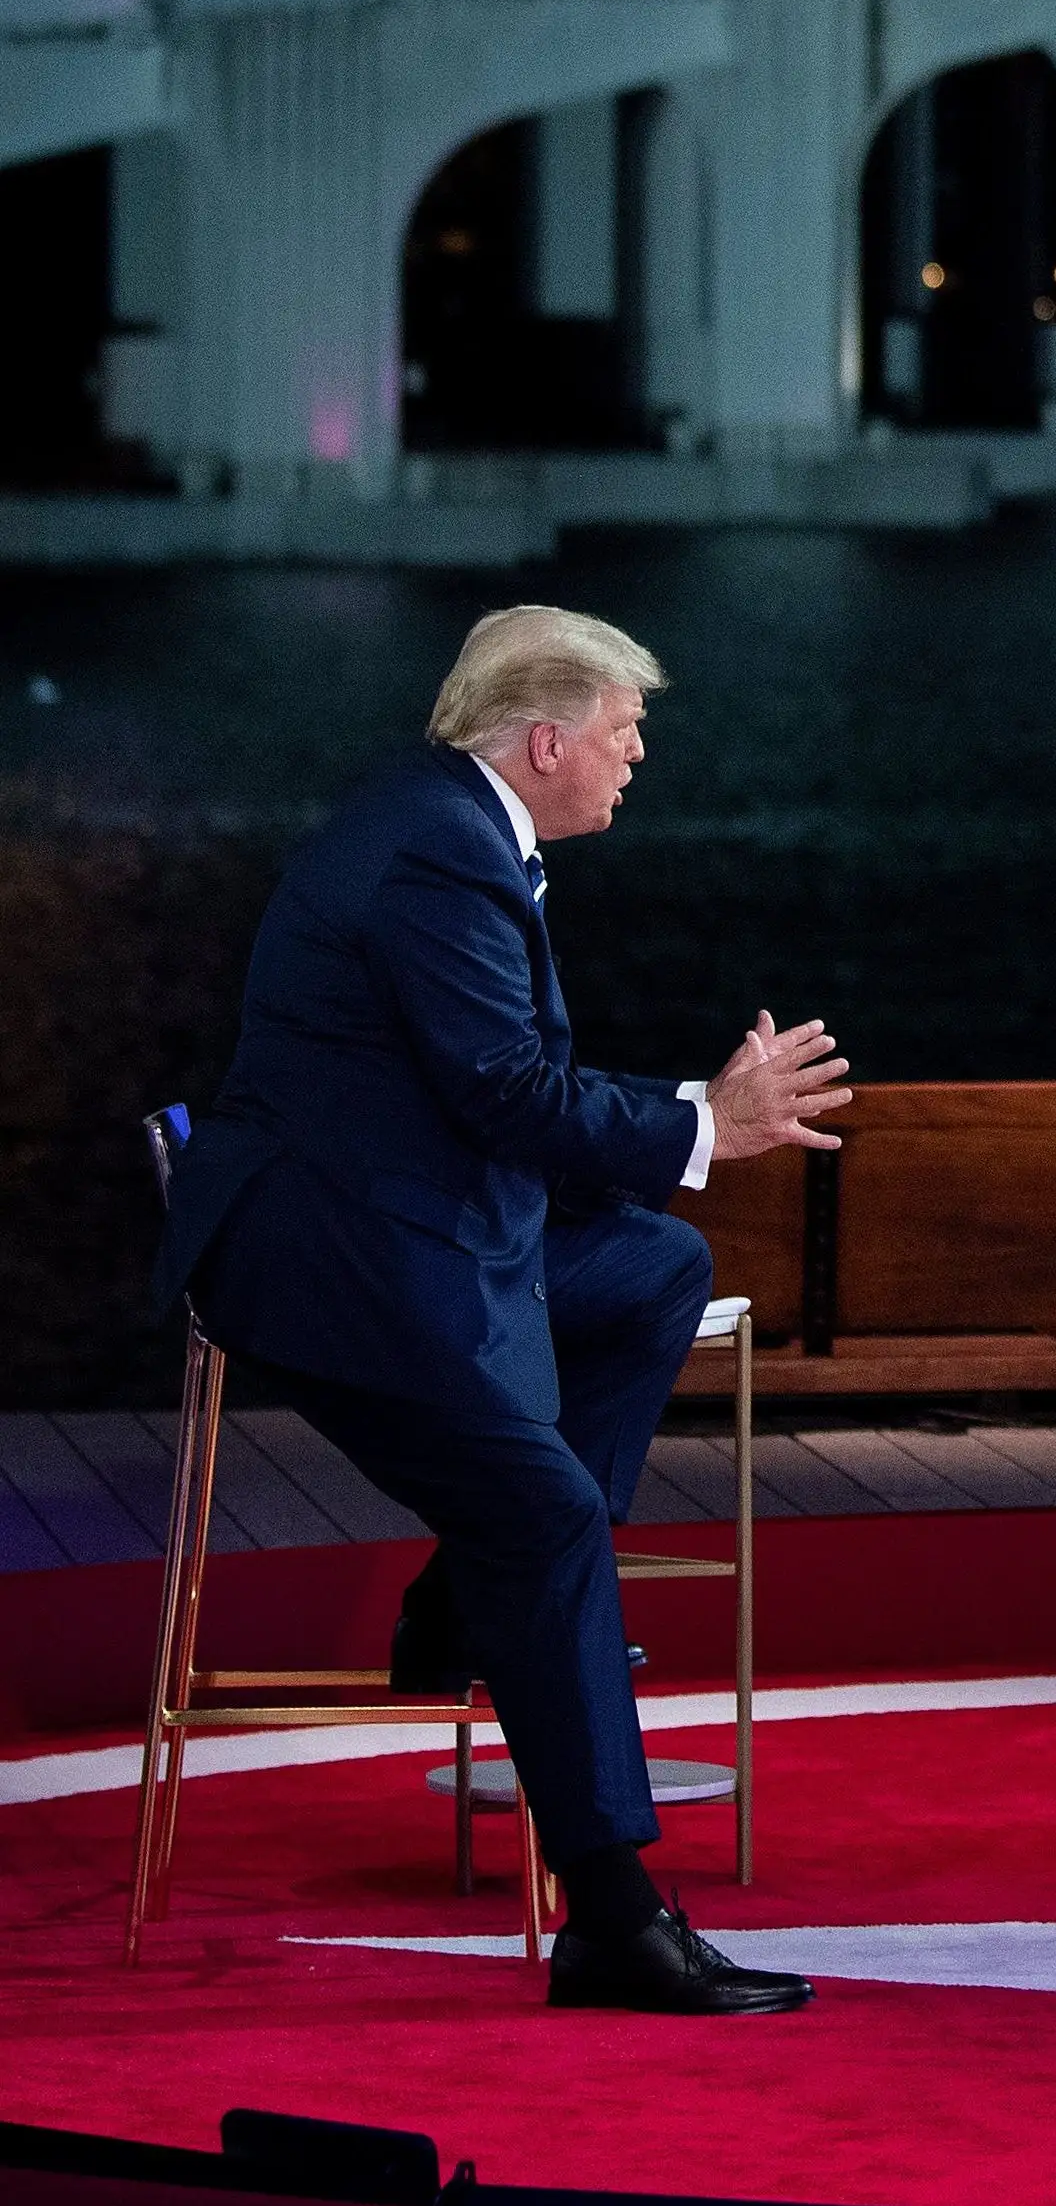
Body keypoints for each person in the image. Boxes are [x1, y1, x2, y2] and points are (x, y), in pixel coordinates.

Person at [151, 606, 852, 2014]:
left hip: (411, 1216)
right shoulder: (436, 853)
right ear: (546, 741)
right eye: (622, 729)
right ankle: (611, 1921)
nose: (638, 754)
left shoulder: (453, 829)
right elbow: (503, 1094)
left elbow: (487, 1093)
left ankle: (470, 1606)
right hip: (333, 1260)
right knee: (542, 1516)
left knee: (653, 1267)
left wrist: (684, 1128)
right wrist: (702, 1119)